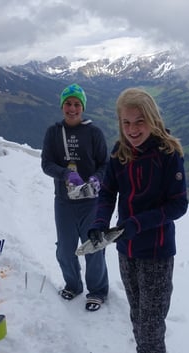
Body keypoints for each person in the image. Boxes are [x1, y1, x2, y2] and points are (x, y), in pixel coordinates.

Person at [88, 88, 188, 353]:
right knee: (137, 315)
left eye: (139, 121)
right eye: (126, 122)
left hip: (156, 252)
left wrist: (138, 223)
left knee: (151, 327)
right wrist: (99, 223)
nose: (133, 129)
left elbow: (178, 205)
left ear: (152, 118)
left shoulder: (168, 154)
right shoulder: (120, 153)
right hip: (126, 249)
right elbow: (108, 193)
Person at [41, 83, 109, 311]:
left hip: (91, 202)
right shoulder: (53, 132)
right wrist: (65, 174)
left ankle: (97, 291)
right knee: (65, 248)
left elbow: (105, 164)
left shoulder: (94, 133)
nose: (72, 108)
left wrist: (97, 179)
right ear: (62, 106)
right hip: (64, 201)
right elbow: (46, 164)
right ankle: (73, 285)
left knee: (94, 247)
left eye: (77, 104)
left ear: (83, 107)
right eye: (68, 103)